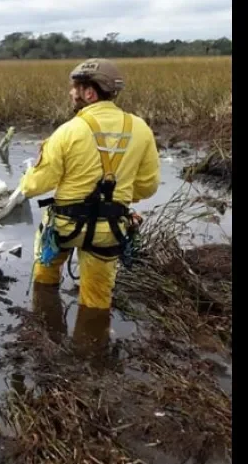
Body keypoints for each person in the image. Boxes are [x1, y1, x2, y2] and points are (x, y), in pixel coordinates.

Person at [18, 58, 160, 358]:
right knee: (97, 297)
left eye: (75, 88)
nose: (71, 93)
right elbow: (147, 187)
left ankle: (46, 336)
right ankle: (91, 356)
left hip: (65, 228)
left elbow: (33, 187)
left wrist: (31, 172)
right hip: (110, 232)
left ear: (90, 93)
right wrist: (116, 198)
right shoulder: (142, 130)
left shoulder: (68, 131)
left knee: (45, 271)